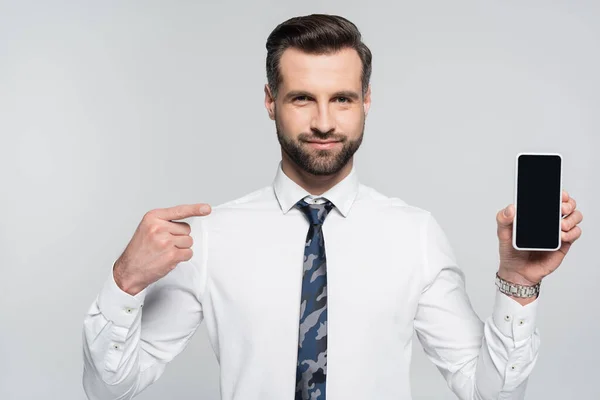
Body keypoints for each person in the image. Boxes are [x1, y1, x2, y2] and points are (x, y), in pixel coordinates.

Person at [81, 14, 584, 400]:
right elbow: (110, 389)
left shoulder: (414, 235)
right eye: (302, 99)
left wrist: (519, 283)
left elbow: (487, 392)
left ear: (366, 100)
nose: (324, 122)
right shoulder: (210, 238)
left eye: (342, 99)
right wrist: (124, 282)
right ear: (269, 101)